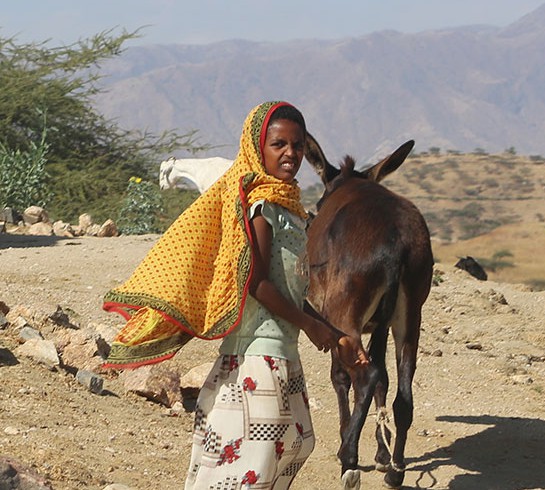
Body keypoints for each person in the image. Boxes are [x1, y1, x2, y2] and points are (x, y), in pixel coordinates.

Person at [102, 100, 368, 489]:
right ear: (258, 148)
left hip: (281, 355)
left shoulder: (288, 208)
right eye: (279, 144)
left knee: (294, 444)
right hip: (256, 359)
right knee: (254, 465)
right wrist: (312, 327)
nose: (290, 153)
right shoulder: (261, 208)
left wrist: (336, 335)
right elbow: (255, 283)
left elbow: (290, 290)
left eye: (297, 145)